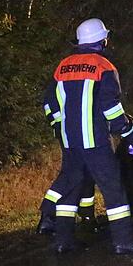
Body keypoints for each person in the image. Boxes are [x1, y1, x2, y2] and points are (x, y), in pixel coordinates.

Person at [43, 18, 133, 254]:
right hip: (96, 141)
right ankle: (123, 240)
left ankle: (63, 240)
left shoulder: (63, 66)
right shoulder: (104, 67)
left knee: (72, 187)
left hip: (70, 141)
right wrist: (130, 134)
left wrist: (61, 127)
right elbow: (111, 109)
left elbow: (50, 102)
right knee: (113, 188)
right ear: (102, 40)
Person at [37, 99, 97, 235]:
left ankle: (87, 216)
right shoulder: (60, 80)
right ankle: (48, 216)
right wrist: (61, 123)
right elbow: (49, 102)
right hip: (72, 135)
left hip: (83, 134)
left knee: (86, 175)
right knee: (72, 174)